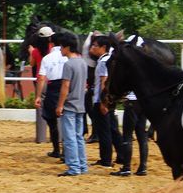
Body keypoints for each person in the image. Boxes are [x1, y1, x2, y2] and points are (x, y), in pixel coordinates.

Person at [111, 36, 149, 177]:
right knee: (141, 135)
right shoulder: (146, 62)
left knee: (127, 135)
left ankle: (126, 167)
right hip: (143, 102)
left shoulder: (131, 63)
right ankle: (143, 167)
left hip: (132, 101)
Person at [55, 33, 89, 176]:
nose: (60, 49)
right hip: (80, 104)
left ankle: (74, 167)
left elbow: (65, 86)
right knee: (79, 137)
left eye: (62, 47)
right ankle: (82, 165)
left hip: (70, 105)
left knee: (69, 138)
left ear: (67, 47)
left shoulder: (68, 64)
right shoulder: (83, 62)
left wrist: (60, 105)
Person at [88, 35, 122, 168]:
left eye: (95, 45)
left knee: (104, 131)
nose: (92, 48)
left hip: (101, 100)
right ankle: (122, 156)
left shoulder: (103, 62)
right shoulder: (109, 60)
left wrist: (103, 102)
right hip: (109, 100)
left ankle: (106, 159)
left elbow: (103, 82)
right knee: (113, 129)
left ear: (103, 47)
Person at [33, 27, 66, 159]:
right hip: (66, 87)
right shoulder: (68, 57)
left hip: (53, 89)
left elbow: (41, 78)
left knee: (52, 121)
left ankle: (56, 149)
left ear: (50, 43)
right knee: (66, 121)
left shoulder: (47, 58)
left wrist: (38, 96)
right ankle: (66, 150)